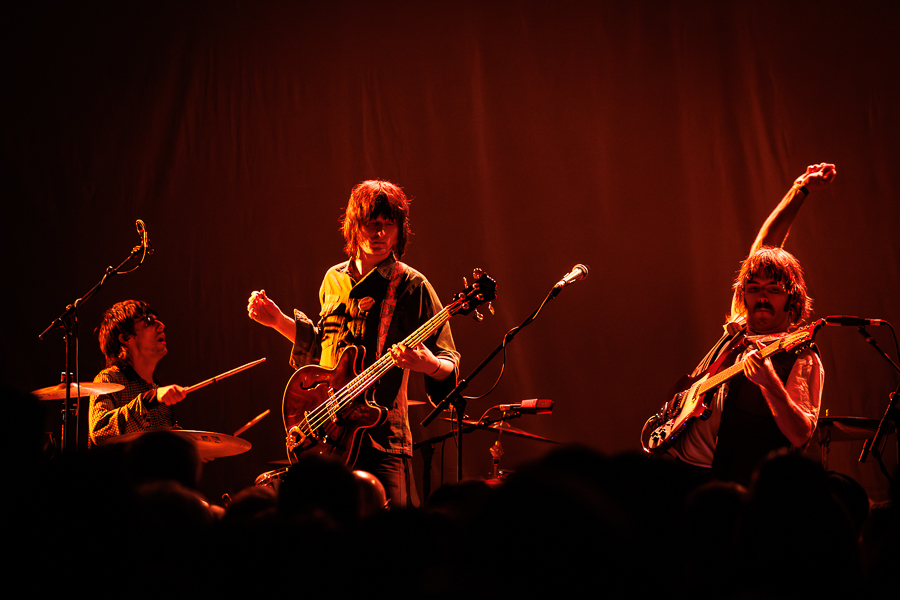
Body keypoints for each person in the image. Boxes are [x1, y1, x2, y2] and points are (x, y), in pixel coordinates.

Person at [247, 180, 459, 508]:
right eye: (372, 224)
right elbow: (324, 352)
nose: (381, 234)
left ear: (399, 230)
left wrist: (428, 364)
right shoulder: (333, 279)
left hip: (382, 440)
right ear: (354, 226)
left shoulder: (412, 284)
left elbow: (449, 360)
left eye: (389, 225)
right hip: (329, 436)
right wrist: (278, 321)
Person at [666, 164, 835, 485]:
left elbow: (801, 434)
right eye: (754, 288)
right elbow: (765, 245)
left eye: (773, 290)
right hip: (676, 467)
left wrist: (771, 384)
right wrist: (799, 188)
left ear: (792, 299)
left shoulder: (801, 356)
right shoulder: (740, 324)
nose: (762, 297)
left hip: (727, 485)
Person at [89, 300, 186, 447]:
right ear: (126, 338)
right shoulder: (108, 380)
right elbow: (100, 431)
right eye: (149, 321)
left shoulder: (159, 391)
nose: (161, 325)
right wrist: (149, 399)